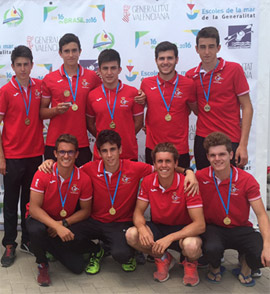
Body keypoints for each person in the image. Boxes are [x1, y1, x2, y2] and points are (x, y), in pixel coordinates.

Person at [39, 130, 198, 275]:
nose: (109, 155)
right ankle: (96, 252)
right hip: (94, 221)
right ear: (99, 153)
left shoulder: (134, 167)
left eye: (113, 149)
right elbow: (67, 167)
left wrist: (188, 172)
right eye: (104, 151)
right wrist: (50, 163)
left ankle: (131, 254)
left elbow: (163, 167)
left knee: (121, 254)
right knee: (65, 235)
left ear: (120, 150)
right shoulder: (89, 168)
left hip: (121, 223)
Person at [126, 142, 205, 286]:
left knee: (191, 246)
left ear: (175, 163)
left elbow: (200, 224)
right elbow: (138, 212)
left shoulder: (188, 183)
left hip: (183, 231)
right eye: (160, 161)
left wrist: (170, 238)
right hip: (159, 227)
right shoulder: (148, 181)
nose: (164, 165)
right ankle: (163, 258)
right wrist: (142, 228)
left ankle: (190, 264)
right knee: (132, 235)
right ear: (154, 165)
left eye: (168, 161)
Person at [196, 132, 270, 286]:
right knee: (211, 248)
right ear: (208, 157)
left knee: (260, 254)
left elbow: (262, 215)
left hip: (241, 227)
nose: (217, 159)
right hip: (214, 228)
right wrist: (189, 173)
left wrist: (268, 245)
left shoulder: (247, 180)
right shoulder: (200, 177)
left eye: (222, 154)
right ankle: (215, 268)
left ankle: (245, 265)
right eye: (213, 155)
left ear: (231, 155)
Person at [26, 134, 97, 286]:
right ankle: (42, 264)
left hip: (63, 222)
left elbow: (86, 211)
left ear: (76, 154)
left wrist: (63, 223)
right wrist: (56, 226)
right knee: (36, 230)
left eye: (70, 152)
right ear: (55, 154)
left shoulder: (83, 179)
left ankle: (47, 247)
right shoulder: (43, 173)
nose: (66, 156)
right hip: (41, 220)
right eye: (62, 152)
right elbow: (33, 209)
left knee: (77, 267)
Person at [0, 45, 44, 267]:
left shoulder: (39, 88)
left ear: (32, 65)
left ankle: (28, 239)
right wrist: (1, 157)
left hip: (35, 155)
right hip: (13, 156)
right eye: (19, 65)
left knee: (30, 203)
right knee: (10, 202)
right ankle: (9, 244)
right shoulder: (5, 91)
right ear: (13, 67)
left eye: (27, 64)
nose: (23, 68)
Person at [186, 27, 253, 170]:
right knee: (205, 185)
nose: (207, 52)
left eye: (211, 47)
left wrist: (243, 145)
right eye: (202, 47)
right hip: (202, 139)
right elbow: (196, 109)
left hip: (230, 139)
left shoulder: (234, 70)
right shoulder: (191, 75)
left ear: (219, 48)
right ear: (196, 49)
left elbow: (247, 107)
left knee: (232, 187)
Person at [40, 33, 102, 166]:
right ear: (60, 53)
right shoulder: (49, 79)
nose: (71, 55)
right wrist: (56, 110)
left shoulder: (92, 77)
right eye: (66, 51)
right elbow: (41, 112)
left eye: (74, 50)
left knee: (81, 184)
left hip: (81, 142)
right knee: (54, 185)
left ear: (80, 51)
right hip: (55, 143)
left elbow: (105, 99)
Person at [139, 41, 197, 167]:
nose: (165, 62)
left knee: (182, 185)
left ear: (177, 59)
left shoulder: (188, 84)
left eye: (170, 58)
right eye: (162, 58)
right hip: (153, 148)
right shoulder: (146, 84)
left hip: (179, 149)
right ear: (156, 60)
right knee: (153, 185)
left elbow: (195, 110)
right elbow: (137, 110)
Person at [86, 49, 144, 161]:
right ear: (99, 70)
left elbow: (138, 123)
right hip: (102, 156)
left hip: (128, 153)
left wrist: (126, 135)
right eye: (105, 68)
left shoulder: (133, 93)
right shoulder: (92, 95)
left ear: (120, 70)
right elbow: (90, 124)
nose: (109, 73)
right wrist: (102, 137)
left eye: (113, 68)